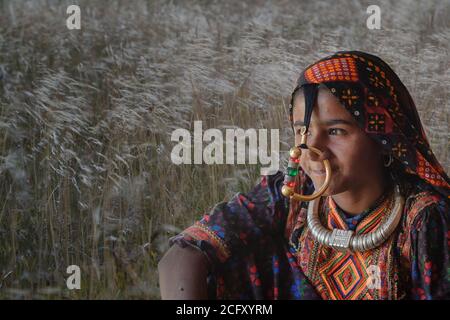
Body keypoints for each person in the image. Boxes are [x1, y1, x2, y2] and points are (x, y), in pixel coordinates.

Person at [158, 51, 450, 300]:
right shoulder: (288, 195)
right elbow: (184, 255)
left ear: (383, 137)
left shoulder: (424, 220)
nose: (312, 148)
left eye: (336, 131)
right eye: (303, 130)